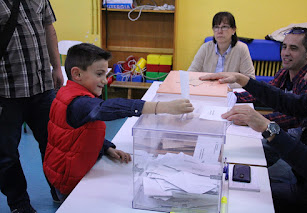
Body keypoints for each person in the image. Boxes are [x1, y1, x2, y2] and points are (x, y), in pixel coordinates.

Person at [43, 43, 194, 202]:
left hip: (65, 168)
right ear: (77, 74)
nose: (105, 80)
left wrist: (106, 148)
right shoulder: (78, 102)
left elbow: (77, 134)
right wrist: (162, 107)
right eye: (99, 74)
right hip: (67, 178)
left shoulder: (72, 93)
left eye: (105, 74)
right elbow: (107, 108)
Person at [199, 40, 307, 212]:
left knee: (236, 195)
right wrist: (242, 79)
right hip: (303, 183)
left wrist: (267, 127)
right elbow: (284, 100)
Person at [0, 1, 63, 212]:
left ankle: (59, 189)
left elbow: (48, 28)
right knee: (6, 153)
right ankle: (19, 203)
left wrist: (56, 67)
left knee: (53, 143)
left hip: (42, 86)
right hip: (5, 91)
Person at [236, 27, 307, 131]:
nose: (286, 53)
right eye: (284, 47)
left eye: (293, 48)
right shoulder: (284, 73)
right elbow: (266, 94)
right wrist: (232, 97)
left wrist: (257, 120)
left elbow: (294, 118)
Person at [188, 11, 255, 88]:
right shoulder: (205, 48)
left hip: (230, 92)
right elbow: (191, 74)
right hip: (207, 90)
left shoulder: (241, 48)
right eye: (216, 27)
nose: (219, 31)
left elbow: (250, 79)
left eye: (224, 27)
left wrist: (224, 86)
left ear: (233, 30)